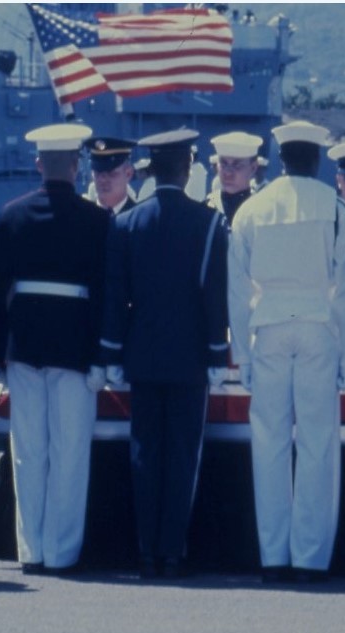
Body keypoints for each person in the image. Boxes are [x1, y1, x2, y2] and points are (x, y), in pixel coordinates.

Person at [228, 120, 345, 583]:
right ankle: (309, 557)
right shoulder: (336, 209)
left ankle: (273, 556)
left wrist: (241, 355)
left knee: (267, 444)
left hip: (267, 327)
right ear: (318, 158)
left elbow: (237, 286)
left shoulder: (251, 209)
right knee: (317, 443)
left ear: (282, 157)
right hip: (316, 328)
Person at [99, 128, 229, 579]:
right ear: (188, 168)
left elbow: (116, 298)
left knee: (144, 455)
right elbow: (215, 297)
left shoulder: (124, 223)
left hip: (142, 355)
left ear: (151, 170)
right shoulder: (209, 222)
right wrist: (217, 354)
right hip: (192, 356)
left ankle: (146, 551)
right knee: (182, 457)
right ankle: (172, 550)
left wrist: (112, 352)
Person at [0, 123, 110, 575]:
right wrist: (102, 356)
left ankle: (30, 550)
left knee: (28, 452)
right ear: (76, 167)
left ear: (40, 164)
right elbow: (104, 295)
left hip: (23, 348)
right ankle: (61, 553)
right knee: (70, 453)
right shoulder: (98, 221)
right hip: (75, 351)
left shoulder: (10, 216)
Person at [205, 131, 262, 228]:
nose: (228, 172)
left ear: (253, 168)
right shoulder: (207, 207)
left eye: (237, 165)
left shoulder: (262, 208)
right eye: (223, 164)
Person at [83, 136, 138, 216]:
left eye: (111, 174)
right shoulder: (81, 218)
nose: (102, 179)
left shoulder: (141, 219)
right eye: (97, 173)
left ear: (128, 174)